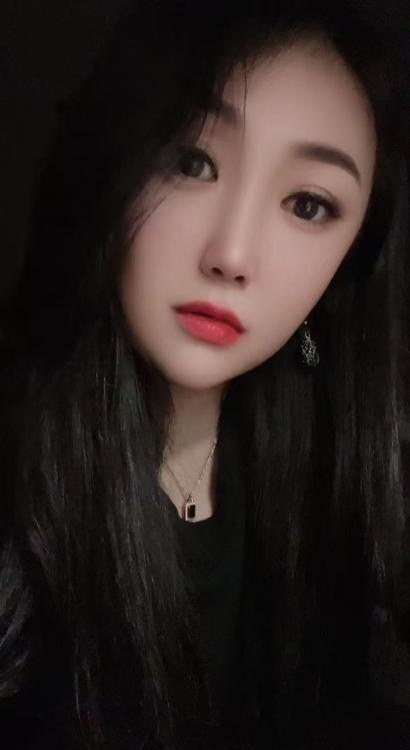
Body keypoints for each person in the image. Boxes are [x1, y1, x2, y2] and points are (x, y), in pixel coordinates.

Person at [0, 1, 409, 748]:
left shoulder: (345, 502)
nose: (233, 254)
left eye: (308, 204)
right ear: (113, 161)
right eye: (192, 161)